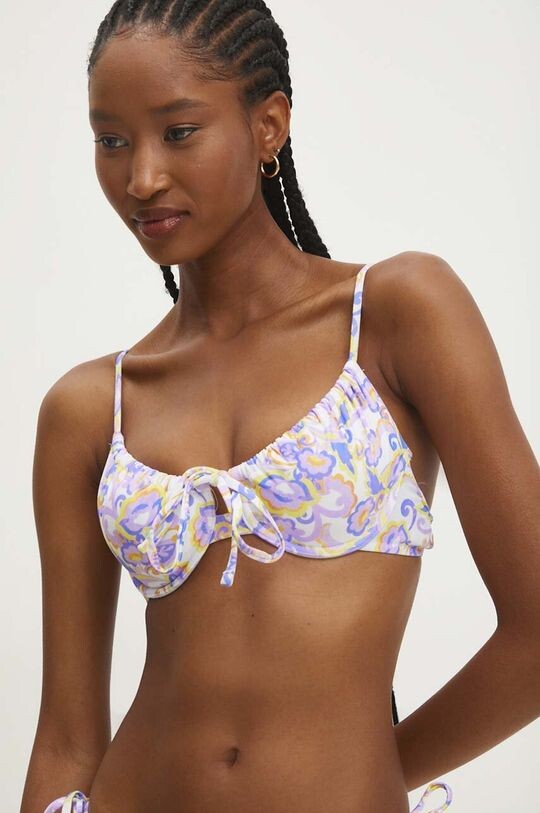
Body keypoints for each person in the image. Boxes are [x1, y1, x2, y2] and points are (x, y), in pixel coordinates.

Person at [21, 1, 540, 812]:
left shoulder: (397, 316)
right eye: (111, 140)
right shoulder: (90, 409)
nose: (141, 178)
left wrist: (369, 773)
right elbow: (66, 739)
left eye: (179, 131)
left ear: (268, 126)